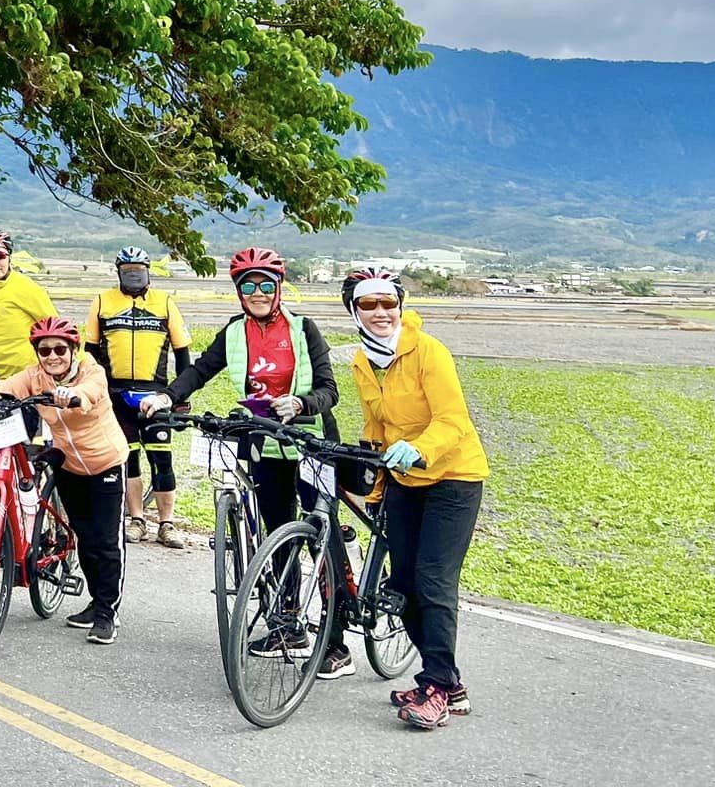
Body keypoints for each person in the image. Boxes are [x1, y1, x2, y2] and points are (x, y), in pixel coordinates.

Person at [141, 246, 351, 676]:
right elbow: (200, 370)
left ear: (278, 288)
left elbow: (330, 390)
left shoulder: (303, 328)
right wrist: (167, 396)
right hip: (265, 444)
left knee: (321, 535)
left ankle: (336, 642)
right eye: (248, 285)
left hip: (312, 443)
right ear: (239, 291)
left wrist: (301, 403)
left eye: (265, 285)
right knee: (279, 535)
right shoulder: (235, 331)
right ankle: (288, 625)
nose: (258, 293)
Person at [349, 274, 490, 730]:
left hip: (454, 477)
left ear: (400, 306)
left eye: (387, 303)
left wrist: (419, 448)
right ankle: (449, 684)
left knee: (433, 580)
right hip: (404, 481)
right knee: (403, 584)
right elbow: (376, 427)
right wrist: (374, 488)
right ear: (354, 312)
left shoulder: (429, 352)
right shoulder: (363, 362)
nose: (380, 312)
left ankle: (436, 687)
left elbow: (453, 419)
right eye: (368, 305)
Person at [0, 316, 128, 644]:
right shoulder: (35, 377)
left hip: (106, 463)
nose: (52, 356)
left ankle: (107, 613)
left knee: (105, 541)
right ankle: (96, 601)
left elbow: (90, 392)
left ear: (73, 350)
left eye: (60, 349)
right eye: (45, 351)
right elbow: (4, 386)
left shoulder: (91, 371)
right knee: (84, 536)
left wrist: (71, 395)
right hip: (69, 464)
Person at [83, 245, 191, 547]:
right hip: (116, 394)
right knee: (128, 458)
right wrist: (92, 389)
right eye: (128, 272)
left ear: (148, 272)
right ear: (119, 272)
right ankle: (137, 519)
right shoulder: (102, 301)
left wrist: (181, 395)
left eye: (139, 272)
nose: (134, 277)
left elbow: (182, 352)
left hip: (156, 393)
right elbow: (90, 352)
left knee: (162, 458)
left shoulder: (165, 303)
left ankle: (167, 524)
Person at [0, 230, 55, 377]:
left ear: (9, 258)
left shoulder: (28, 288)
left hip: (27, 376)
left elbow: (55, 327)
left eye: (0, 256)